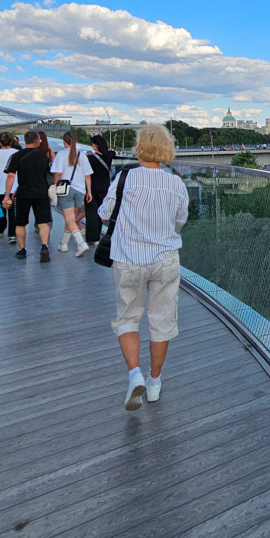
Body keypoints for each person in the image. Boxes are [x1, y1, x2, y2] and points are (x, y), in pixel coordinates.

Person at [101, 125, 188, 411]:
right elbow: (180, 221)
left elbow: (104, 215)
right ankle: (154, 383)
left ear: (139, 147)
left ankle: (134, 373)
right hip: (165, 260)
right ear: (166, 148)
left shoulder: (125, 178)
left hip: (129, 258)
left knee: (127, 317)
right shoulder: (176, 183)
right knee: (162, 320)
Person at [3, 131, 54, 263]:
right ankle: (44, 246)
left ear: (25, 141)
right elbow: (49, 175)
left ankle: (22, 250)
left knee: (20, 223)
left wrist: (7, 195)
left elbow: (11, 176)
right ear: (37, 141)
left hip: (23, 193)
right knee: (43, 222)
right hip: (41, 193)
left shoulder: (17, 155)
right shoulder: (44, 157)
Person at [51, 131, 92, 257]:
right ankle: (63, 244)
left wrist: (55, 185)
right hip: (80, 191)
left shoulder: (61, 155)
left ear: (64, 142)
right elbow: (87, 175)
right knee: (71, 220)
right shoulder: (83, 155)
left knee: (69, 219)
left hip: (66, 191)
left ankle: (81, 244)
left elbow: (57, 173)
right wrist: (89, 191)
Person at [82, 134, 114, 244]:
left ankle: (93, 237)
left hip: (92, 187)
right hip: (105, 187)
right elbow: (114, 153)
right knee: (102, 211)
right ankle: (101, 233)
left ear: (95, 145)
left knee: (91, 213)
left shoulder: (90, 158)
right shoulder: (110, 155)